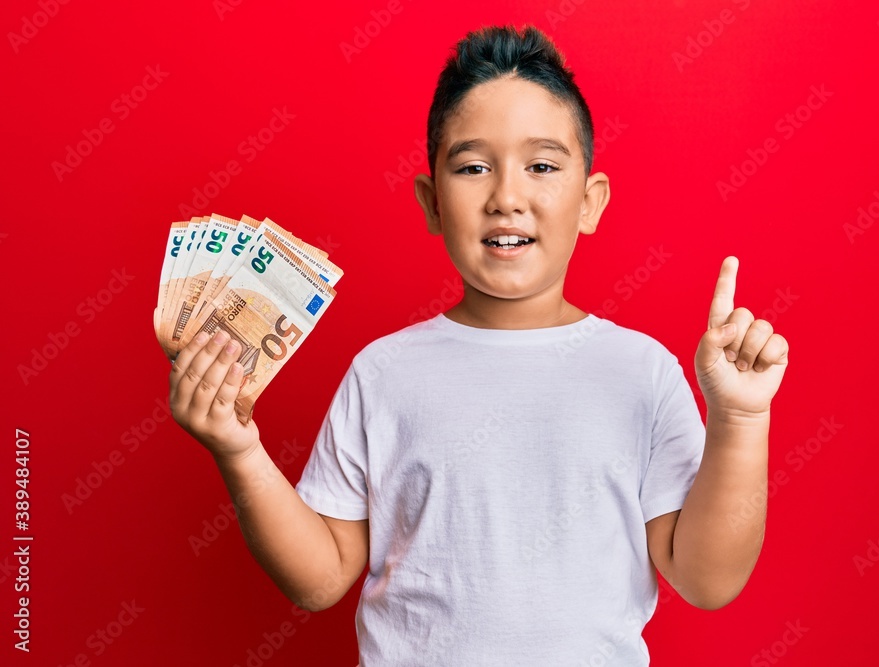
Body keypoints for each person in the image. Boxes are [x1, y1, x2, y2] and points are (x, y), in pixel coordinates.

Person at [168, 24, 789, 666]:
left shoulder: (643, 372)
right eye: (473, 168)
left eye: (543, 166)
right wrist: (239, 449)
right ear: (433, 204)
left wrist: (741, 419)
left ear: (590, 201)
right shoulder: (383, 373)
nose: (507, 198)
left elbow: (707, 580)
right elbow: (320, 580)